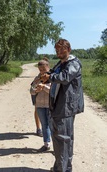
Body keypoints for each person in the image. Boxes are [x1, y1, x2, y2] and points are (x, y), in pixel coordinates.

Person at [40, 39, 84, 172]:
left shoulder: (74, 63)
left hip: (65, 107)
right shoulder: (61, 62)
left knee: (63, 139)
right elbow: (54, 72)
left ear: (68, 49)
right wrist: (47, 74)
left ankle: (62, 169)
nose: (58, 51)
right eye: (56, 49)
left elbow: (65, 77)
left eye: (61, 49)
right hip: (58, 105)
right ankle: (61, 167)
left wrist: (50, 77)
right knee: (61, 140)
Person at [30, 58, 51, 152]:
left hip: (51, 105)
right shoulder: (37, 78)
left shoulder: (53, 77)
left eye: (44, 69)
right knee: (44, 125)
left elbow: (54, 92)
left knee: (53, 126)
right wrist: (35, 90)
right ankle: (46, 144)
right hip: (39, 105)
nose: (42, 72)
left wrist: (44, 87)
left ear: (48, 67)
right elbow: (31, 90)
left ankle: (58, 146)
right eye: (40, 70)